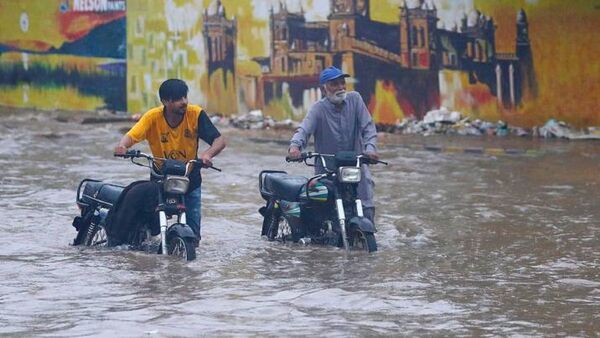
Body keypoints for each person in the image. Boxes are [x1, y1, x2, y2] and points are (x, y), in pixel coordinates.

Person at [113, 78, 226, 246]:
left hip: (190, 179)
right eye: (178, 99)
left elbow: (219, 140)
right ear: (165, 101)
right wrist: (122, 146)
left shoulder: (196, 114)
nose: (184, 102)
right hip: (160, 178)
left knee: (194, 235)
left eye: (185, 97)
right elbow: (132, 136)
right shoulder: (152, 117)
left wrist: (208, 155)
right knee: (147, 230)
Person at [288, 66, 379, 223]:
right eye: (334, 84)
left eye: (342, 83)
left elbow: (368, 128)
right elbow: (304, 130)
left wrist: (370, 150)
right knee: (324, 215)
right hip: (328, 172)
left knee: (367, 209)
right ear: (324, 89)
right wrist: (295, 147)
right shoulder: (318, 109)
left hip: (355, 170)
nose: (340, 87)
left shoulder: (355, 100)